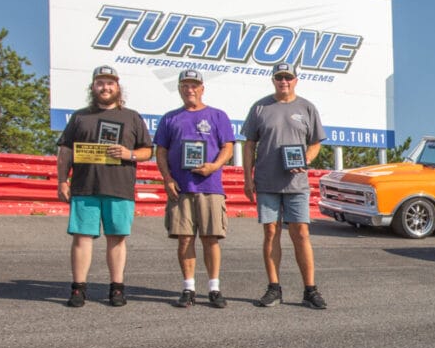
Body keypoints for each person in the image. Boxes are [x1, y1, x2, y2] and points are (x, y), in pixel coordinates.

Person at [56, 65, 153, 307]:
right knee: (81, 238)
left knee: (117, 238)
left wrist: (128, 153)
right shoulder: (80, 117)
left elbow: (147, 151)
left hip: (119, 188)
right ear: (93, 87)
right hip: (84, 186)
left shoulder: (131, 116)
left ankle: (117, 288)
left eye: (110, 83)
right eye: (100, 82)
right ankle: (78, 289)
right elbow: (65, 150)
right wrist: (61, 180)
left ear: (118, 87)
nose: (105, 87)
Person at [242, 62, 327, 309]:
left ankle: (310, 290)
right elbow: (249, 145)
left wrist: (307, 159)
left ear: (295, 81)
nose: (284, 81)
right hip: (267, 182)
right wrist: (248, 178)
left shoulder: (307, 108)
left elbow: (315, 143)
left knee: (301, 233)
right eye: (279, 77)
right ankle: (273, 288)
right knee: (270, 233)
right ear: (273, 80)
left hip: (296, 183)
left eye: (288, 77)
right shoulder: (260, 107)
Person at [154, 69, 235, 308]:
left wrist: (214, 166)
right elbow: (161, 152)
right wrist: (167, 178)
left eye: (194, 85)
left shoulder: (217, 116)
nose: (190, 89)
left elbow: (227, 147)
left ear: (202, 88)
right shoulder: (170, 118)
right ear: (179, 89)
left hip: (210, 187)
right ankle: (188, 287)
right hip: (181, 188)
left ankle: (214, 288)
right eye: (185, 85)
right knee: (185, 240)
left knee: (211, 239)